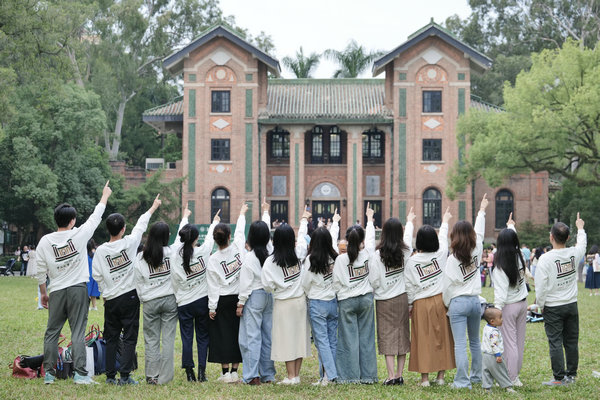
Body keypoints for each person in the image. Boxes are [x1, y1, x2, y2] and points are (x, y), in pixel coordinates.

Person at [37, 181, 112, 385]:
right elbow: (96, 217)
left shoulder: (45, 241)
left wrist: (43, 293)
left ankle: (49, 374)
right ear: (72, 221)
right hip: (78, 288)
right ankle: (80, 374)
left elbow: (40, 271)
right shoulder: (79, 234)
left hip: (56, 290)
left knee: (52, 332)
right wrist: (105, 195)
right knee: (78, 330)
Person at [92, 194, 161, 385]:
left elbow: (97, 275)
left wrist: (105, 292)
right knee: (130, 337)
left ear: (108, 229)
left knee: (111, 337)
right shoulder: (130, 243)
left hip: (111, 299)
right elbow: (141, 225)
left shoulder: (101, 251)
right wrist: (153, 207)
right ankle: (124, 376)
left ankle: (110, 377)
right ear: (123, 229)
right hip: (130, 296)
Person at [442, 194, 488, 389]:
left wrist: (447, 304)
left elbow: (447, 286)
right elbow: (480, 232)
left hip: (458, 302)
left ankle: (462, 381)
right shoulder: (477, 250)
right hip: (475, 301)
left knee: (460, 344)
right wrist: (481, 211)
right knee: (475, 342)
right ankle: (477, 377)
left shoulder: (452, 260)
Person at [405, 207, 455, 387]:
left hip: (421, 302)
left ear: (418, 241)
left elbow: (409, 286)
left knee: (422, 339)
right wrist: (445, 220)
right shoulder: (440, 255)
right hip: (440, 300)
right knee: (443, 337)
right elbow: (443, 239)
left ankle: (425, 379)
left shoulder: (412, 261)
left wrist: (410, 306)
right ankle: (440, 376)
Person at [261, 206, 310, 385]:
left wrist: (278, 287)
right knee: (299, 338)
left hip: (283, 303)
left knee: (288, 339)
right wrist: (303, 220)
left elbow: (267, 285)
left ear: (276, 241)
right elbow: (303, 238)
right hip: (300, 302)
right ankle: (295, 375)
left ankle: (291, 377)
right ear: (291, 240)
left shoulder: (270, 261)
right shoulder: (298, 254)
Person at [536, 214, 586, 386]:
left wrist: (540, 305)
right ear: (568, 238)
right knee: (571, 341)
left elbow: (541, 287)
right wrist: (580, 228)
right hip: (571, 304)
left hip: (553, 306)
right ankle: (571, 375)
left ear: (551, 237)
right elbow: (582, 244)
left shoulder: (545, 259)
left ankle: (559, 378)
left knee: (555, 341)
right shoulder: (574, 253)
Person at [171, 205, 219, 383]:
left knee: (187, 338)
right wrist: (214, 222)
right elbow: (210, 240)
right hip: (201, 301)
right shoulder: (203, 252)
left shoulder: (175, 255)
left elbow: (174, 281)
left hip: (184, 302)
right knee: (203, 337)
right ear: (196, 238)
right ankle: (202, 372)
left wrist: (185, 217)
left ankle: (189, 372)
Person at [369, 208, 415, 385]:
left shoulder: (377, 255)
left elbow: (374, 280)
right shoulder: (406, 252)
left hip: (384, 300)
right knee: (402, 334)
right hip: (402, 298)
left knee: (386, 335)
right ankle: (399, 374)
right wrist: (409, 221)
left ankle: (390, 376)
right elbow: (408, 238)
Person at [332, 203, 377, 384]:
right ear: (361, 241)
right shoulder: (367, 254)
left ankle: (350, 376)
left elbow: (336, 283)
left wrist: (342, 293)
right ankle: (368, 376)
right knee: (366, 338)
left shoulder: (341, 259)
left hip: (347, 301)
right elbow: (371, 240)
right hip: (365, 299)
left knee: (348, 339)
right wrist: (370, 220)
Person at [135, 214, 181, 385]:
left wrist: (144, 298)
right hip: (170, 299)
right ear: (165, 236)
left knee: (151, 339)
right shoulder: (172, 253)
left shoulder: (141, 257)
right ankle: (165, 377)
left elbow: (138, 281)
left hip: (150, 301)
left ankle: (152, 375)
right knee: (168, 339)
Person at [207, 203, 248, 383]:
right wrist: (241, 213)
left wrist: (212, 307)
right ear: (229, 237)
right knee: (237, 334)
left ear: (215, 240)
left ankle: (225, 374)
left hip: (222, 300)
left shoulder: (213, 260)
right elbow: (240, 232)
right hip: (238, 298)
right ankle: (235, 371)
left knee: (223, 335)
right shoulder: (238, 248)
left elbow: (213, 286)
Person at [236, 199, 276, 385]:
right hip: (269, 295)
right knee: (267, 336)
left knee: (251, 337)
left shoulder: (249, 258)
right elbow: (265, 231)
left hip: (254, 297)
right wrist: (265, 212)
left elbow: (245, 284)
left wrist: (240, 303)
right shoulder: (271, 253)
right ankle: (268, 374)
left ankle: (252, 375)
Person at [301, 208, 341, 386]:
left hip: (317, 302)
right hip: (332, 301)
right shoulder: (334, 257)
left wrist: (308, 294)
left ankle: (329, 376)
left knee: (322, 342)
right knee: (331, 340)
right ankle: (326, 376)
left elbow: (305, 283)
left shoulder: (311, 259)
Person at [492, 213, 528, 387]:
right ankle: (515, 375)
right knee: (518, 342)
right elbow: (513, 238)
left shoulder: (500, 266)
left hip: (509, 307)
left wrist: (496, 312)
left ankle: (512, 378)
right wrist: (511, 226)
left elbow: (500, 293)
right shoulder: (520, 255)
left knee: (509, 343)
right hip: (522, 303)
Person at [481, 307, 516, 393]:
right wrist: (498, 355)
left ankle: (487, 388)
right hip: (493, 355)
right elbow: (494, 344)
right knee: (501, 371)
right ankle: (508, 387)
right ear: (492, 321)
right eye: (500, 318)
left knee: (486, 372)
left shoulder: (486, 327)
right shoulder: (494, 332)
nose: (502, 319)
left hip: (485, 355)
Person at [87, 239, 100, 311]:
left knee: (87, 292)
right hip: (94, 275)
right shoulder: (94, 255)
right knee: (93, 293)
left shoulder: (85, 256)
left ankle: (88, 306)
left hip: (87, 275)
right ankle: (94, 306)